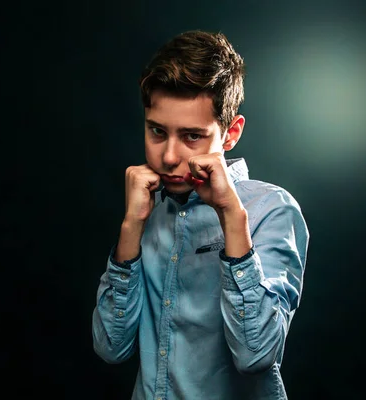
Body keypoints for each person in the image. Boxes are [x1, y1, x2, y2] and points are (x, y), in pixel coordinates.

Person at [92, 30, 309, 400]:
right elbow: (111, 347)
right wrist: (131, 227)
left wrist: (229, 214)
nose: (170, 156)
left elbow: (256, 353)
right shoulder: (149, 210)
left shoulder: (271, 210)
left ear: (230, 134)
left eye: (192, 136)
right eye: (157, 132)